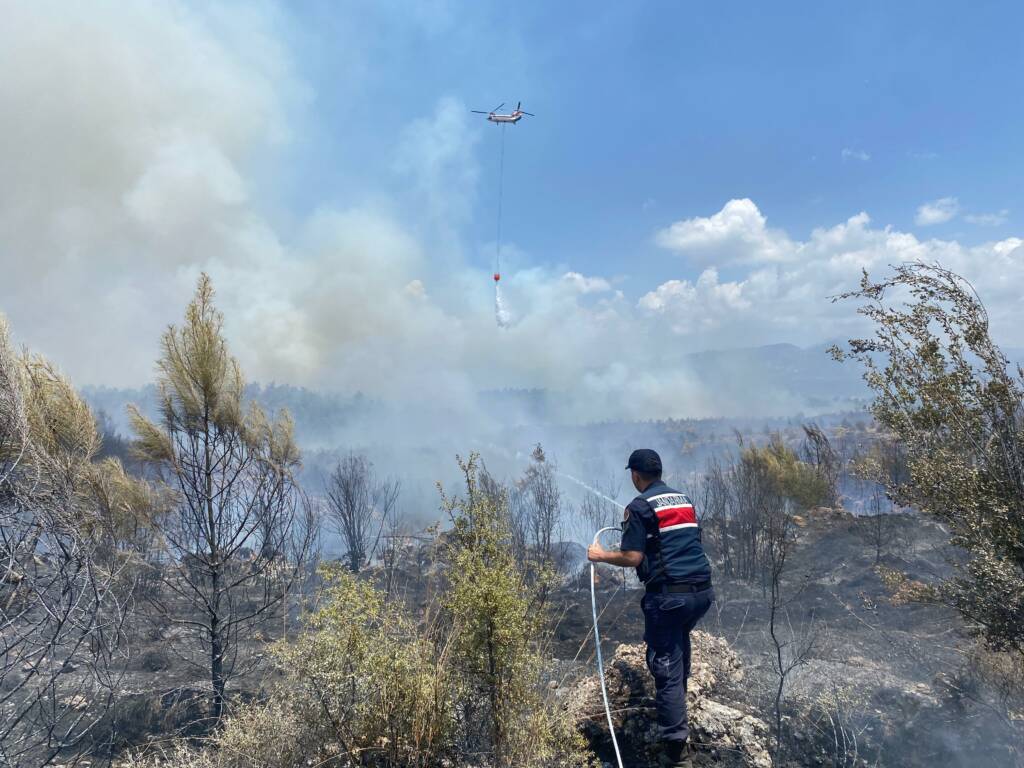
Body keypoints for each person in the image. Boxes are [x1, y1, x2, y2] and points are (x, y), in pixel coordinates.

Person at [587, 448, 714, 768]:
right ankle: (678, 714)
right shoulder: (682, 499)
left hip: (669, 597)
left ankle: (675, 752)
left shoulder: (639, 507)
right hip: (700, 593)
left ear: (636, 475)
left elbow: (632, 558)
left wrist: (600, 556)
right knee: (679, 649)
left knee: (666, 665)